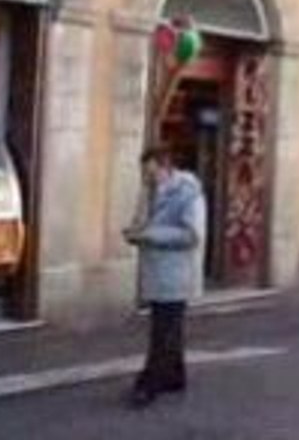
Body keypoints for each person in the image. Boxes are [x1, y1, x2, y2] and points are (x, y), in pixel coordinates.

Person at [123, 146, 206, 408]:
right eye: (145, 174)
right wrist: (135, 231)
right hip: (156, 271)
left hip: (175, 273)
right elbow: (142, 222)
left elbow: (192, 235)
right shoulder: (148, 191)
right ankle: (175, 376)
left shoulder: (188, 193)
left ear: (165, 167)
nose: (148, 178)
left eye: (152, 173)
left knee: (163, 331)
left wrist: (151, 236)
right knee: (170, 328)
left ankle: (149, 384)